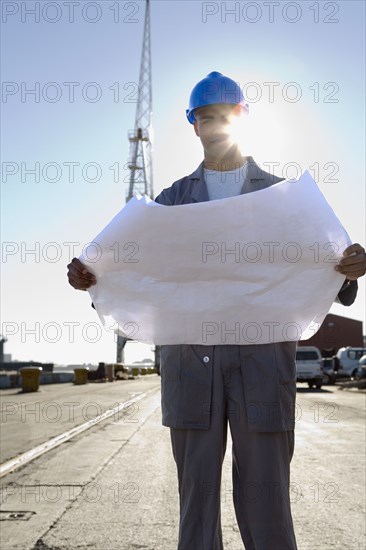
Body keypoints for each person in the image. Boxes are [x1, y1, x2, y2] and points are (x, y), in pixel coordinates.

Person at [67, 71, 366, 550]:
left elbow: (328, 273)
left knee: (267, 504)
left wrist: (350, 268)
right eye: (206, 118)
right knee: (196, 505)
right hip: (190, 368)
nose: (215, 126)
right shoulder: (167, 204)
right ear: (194, 126)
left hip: (263, 366)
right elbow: (134, 268)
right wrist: (90, 276)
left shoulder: (285, 201)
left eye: (224, 116)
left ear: (243, 118)